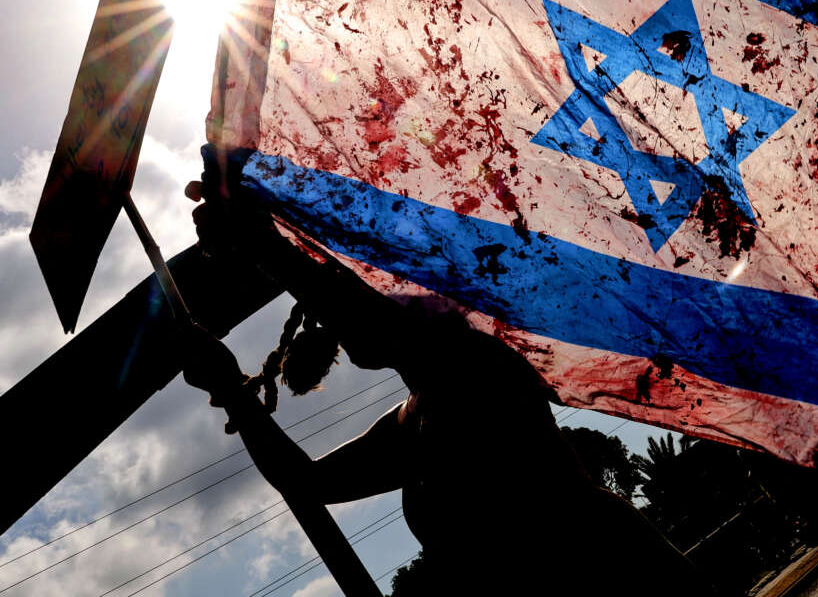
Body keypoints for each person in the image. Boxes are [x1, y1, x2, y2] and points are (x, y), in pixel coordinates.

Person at [179, 166, 717, 596]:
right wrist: (231, 390)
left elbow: (367, 322)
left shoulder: (479, 374)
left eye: (371, 291)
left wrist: (261, 246)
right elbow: (309, 483)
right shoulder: (419, 418)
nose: (346, 322)